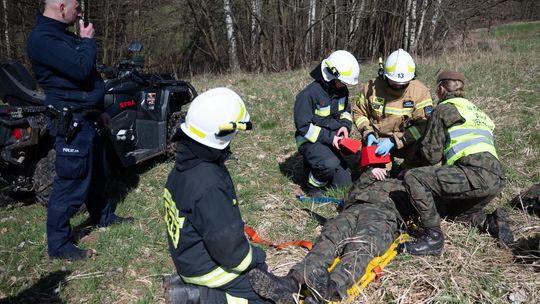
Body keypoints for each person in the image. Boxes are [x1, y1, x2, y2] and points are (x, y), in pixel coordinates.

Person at [27, 0, 132, 261]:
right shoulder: (43, 39)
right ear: (61, 7)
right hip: (71, 120)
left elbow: (83, 80)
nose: (80, 12)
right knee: (71, 180)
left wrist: (99, 111)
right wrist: (87, 41)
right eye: (76, 6)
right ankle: (59, 245)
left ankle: (103, 216)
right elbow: (81, 67)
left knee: (98, 171)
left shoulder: (61, 35)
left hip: (88, 117)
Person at [163, 88, 269, 303]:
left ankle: (186, 286)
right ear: (224, 133)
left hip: (188, 258)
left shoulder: (183, 168)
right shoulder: (209, 183)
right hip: (206, 270)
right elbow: (232, 254)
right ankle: (199, 297)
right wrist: (257, 257)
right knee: (267, 295)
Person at [248, 174, 417, 303]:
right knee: (329, 239)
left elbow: (425, 205)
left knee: (361, 247)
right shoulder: (375, 179)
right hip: (353, 210)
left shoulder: (413, 186)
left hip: (382, 215)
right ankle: (291, 282)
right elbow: (351, 195)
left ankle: (331, 288)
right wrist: (370, 174)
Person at [402, 70, 513, 256]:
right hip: (497, 178)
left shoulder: (444, 109)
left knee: (414, 178)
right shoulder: (477, 111)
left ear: (441, 88)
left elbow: (431, 156)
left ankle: (433, 238)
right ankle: (491, 222)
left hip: (474, 173)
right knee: (458, 215)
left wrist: (407, 163)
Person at [352, 49, 433, 174]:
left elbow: (423, 126)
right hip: (376, 142)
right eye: (394, 83)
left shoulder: (419, 92)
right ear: (384, 74)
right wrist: (368, 133)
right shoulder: (371, 88)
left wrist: (394, 141)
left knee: (427, 151)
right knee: (377, 178)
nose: (398, 86)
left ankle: (403, 170)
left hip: (405, 140)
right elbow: (359, 112)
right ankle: (386, 169)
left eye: (403, 84)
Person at [294, 50, 360, 197]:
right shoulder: (308, 95)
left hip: (332, 139)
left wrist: (344, 126)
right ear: (330, 74)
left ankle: (319, 167)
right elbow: (304, 127)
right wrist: (331, 138)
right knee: (328, 163)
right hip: (309, 140)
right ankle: (311, 185)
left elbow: (346, 112)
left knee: (344, 184)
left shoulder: (341, 90)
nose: (344, 86)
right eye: (342, 82)